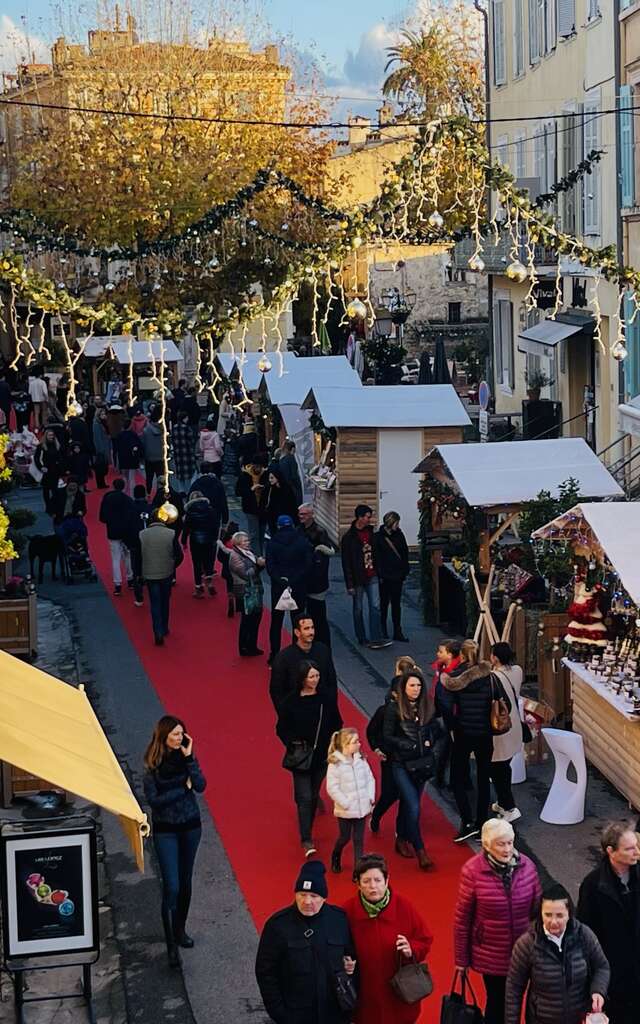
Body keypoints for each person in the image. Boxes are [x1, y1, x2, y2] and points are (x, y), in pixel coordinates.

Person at [455, 818, 541, 1024]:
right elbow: (462, 918)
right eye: (501, 844)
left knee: (522, 1001)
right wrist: (461, 960)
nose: (507, 849)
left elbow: (538, 910)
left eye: (510, 842)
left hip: (524, 950)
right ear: (486, 845)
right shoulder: (472, 871)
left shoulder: (527, 866)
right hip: (491, 954)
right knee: (498, 1003)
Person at [255, 860, 356, 1024]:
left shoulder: (339, 920)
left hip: (334, 1014)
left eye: (314, 896)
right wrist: (280, 1013)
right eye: (302, 894)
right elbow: (265, 972)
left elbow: (352, 957)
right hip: (295, 1015)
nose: (307, 901)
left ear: (324, 897)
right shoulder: (277, 925)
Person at [142, 716, 206, 967]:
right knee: (172, 886)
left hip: (191, 827)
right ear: (164, 737)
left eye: (182, 734)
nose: (180, 739)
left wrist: (190, 759)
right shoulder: (153, 765)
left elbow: (200, 785)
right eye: (175, 735)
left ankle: (180, 930)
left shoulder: (186, 759)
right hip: (165, 830)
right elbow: (154, 801)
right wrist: (183, 787)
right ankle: (170, 946)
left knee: (185, 882)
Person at [343, 854, 433, 1024]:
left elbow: (425, 939)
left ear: (386, 879)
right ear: (358, 883)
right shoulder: (346, 911)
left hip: (398, 994)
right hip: (364, 995)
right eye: (366, 881)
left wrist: (411, 948)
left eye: (377, 880)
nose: (373, 886)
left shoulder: (404, 906)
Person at [506, 882, 609, 1024]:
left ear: (569, 914)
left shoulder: (584, 935)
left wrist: (598, 990)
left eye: (560, 915)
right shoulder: (526, 944)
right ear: (540, 914)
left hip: (579, 1019)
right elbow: (514, 989)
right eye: (548, 915)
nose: (553, 922)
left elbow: (602, 967)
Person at [441, 639, 510, 843]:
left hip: (463, 734)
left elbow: (446, 707)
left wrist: (454, 727)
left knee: (457, 778)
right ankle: (481, 823)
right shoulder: (490, 678)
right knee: (483, 778)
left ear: (461, 656)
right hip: (485, 734)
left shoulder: (453, 679)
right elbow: (504, 702)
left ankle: (466, 821)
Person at [276, 660, 342, 856]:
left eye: (317, 676)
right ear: (302, 679)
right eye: (311, 676)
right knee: (304, 797)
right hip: (301, 756)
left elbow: (337, 722)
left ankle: (312, 811)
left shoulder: (325, 699)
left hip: (322, 755)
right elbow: (281, 728)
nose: (315, 680)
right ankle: (306, 837)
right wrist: (292, 743)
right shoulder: (290, 702)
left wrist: (333, 745)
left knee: (312, 793)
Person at [577, 820, 640, 1024]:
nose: (637, 852)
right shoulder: (593, 885)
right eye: (630, 849)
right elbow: (585, 933)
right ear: (611, 851)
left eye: (637, 846)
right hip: (612, 972)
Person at [382, 668, 437, 870]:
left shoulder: (427, 707)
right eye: (412, 685)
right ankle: (420, 850)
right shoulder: (393, 709)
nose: (416, 689)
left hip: (421, 764)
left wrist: (431, 746)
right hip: (401, 764)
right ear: (403, 688)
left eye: (419, 685)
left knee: (408, 804)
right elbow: (387, 736)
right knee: (413, 805)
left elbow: (436, 731)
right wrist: (407, 744)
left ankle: (401, 838)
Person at [367, 656, 417, 840]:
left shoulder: (418, 710)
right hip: (390, 759)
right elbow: (372, 731)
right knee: (389, 794)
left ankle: (401, 832)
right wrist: (377, 748)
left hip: (410, 759)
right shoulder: (385, 711)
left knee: (407, 796)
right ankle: (377, 815)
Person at [340, 505, 391, 650]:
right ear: (360, 517)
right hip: (358, 578)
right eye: (367, 517)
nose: (369, 520)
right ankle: (362, 637)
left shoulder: (371, 534)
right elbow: (346, 563)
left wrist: (379, 572)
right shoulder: (349, 538)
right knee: (358, 608)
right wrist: (349, 584)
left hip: (372, 574)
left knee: (375, 606)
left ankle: (376, 637)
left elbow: (377, 554)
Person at [265, 514, 314, 664]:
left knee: (276, 622)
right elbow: (308, 564)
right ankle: (297, 652)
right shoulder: (302, 541)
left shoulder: (273, 542)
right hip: (298, 585)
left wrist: (280, 579)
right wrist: (294, 580)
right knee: (298, 620)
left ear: (279, 526)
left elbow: (270, 565)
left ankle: (274, 654)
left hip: (279, 587)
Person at [326, 728, 375, 875]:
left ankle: (358, 871)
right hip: (346, 810)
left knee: (359, 839)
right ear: (345, 745)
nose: (359, 744)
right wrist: (345, 803)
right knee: (344, 837)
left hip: (362, 808)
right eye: (355, 742)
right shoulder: (335, 765)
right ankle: (336, 854)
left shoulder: (361, 760)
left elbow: (369, 779)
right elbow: (332, 788)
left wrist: (370, 797)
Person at [270, 614, 338, 711]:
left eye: (312, 628)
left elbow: (331, 680)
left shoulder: (323, 650)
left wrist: (331, 707)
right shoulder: (284, 658)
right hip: (296, 712)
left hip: (322, 709)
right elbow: (276, 691)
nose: (311, 632)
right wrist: (285, 715)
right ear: (297, 632)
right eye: (306, 628)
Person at [489, 643, 524, 824]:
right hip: (515, 725)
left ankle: (509, 806)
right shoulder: (517, 671)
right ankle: (503, 803)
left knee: (498, 769)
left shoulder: (493, 677)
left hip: (501, 726)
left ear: (495, 658)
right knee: (505, 766)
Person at [140, 510, 180, 644]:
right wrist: (172, 565)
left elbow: (137, 556)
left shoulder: (142, 534)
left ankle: (157, 631)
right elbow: (179, 555)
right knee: (165, 600)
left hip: (150, 573)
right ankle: (164, 627)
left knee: (155, 602)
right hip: (166, 571)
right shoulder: (171, 534)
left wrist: (139, 572)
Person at [298, 503, 336, 648]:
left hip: (316, 582)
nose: (301, 517)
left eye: (304, 514)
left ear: (311, 515)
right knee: (309, 614)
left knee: (319, 616)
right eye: (300, 514)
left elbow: (323, 560)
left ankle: (323, 644)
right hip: (305, 579)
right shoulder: (300, 529)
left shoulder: (320, 532)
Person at [374, 511, 410, 642]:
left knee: (396, 604)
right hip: (385, 576)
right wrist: (380, 574)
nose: (398, 525)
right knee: (384, 604)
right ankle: (383, 629)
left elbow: (404, 553)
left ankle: (397, 630)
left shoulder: (399, 535)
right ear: (391, 523)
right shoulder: (378, 538)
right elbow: (377, 558)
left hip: (397, 575)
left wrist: (404, 571)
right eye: (396, 522)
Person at [431, 638, 462, 789]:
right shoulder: (443, 668)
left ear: (450, 655)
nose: (437, 653)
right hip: (442, 714)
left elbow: (447, 700)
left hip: (449, 717)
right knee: (445, 748)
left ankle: (443, 778)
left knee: (446, 749)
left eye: (441, 651)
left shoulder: (453, 674)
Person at [229, 530, 265, 656]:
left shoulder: (248, 553)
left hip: (254, 590)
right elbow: (245, 574)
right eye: (245, 541)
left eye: (248, 540)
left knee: (255, 618)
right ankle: (244, 647)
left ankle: (252, 645)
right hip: (245, 592)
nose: (248, 542)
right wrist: (258, 566)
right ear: (238, 542)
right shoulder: (234, 556)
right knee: (247, 620)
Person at [99, 477, 135, 595]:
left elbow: (102, 518)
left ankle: (117, 584)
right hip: (126, 532)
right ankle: (130, 579)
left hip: (113, 531)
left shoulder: (107, 498)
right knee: (128, 556)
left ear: (113, 486)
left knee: (115, 558)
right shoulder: (128, 500)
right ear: (123, 486)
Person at [181, 491, 218, 598]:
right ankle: (209, 582)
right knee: (208, 562)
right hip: (209, 539)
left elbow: (186, 528)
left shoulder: (190, 512)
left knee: (197, 564)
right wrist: (215, 538)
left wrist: (183, 541)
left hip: (195, 540)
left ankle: (199, 587)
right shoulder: (211, 510)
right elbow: (215, 525)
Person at [235, 453, 269, 556]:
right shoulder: (245, 475)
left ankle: (259, 553)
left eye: (260, 467)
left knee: (262, 533)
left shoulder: (266, 474)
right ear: (252, 465)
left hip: (263, 508)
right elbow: (238, 492)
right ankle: (257, 556)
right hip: (250, 508)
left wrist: (264, 488)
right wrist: (251, 489)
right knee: (254, 534)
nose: (258, 469)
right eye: (256, 466)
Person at [127, 484, 151, 606]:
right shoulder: (150, 508)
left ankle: (139, 597)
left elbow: (127, 527)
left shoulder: (130, 509)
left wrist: (128, 542)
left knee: (136, 569)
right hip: (149, 543)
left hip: (135, 542)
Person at [34, 429, 66, 516]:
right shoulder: (41, 446)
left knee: (55, 490)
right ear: (46, 436)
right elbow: (37, 458)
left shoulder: (57, 445)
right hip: (46, 472)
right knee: (46, 490)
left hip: (55, 471)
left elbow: (60, 458)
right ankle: (48, 507)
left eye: (52, 435)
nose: (51, 437)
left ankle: (53, 506)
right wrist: (41, 467)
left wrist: (61, 468)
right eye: (49, 435)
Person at [189, 463, 229, 531]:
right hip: (215, 515)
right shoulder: (218, 483)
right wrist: (225, 520)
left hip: (199, 516)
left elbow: (190, 501)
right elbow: (223, 502)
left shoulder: (196, 484)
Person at [265, 466, 299, 537]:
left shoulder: (286, 489)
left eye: (272, 478)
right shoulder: (270, 488)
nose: (270, 480)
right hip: (274, 520)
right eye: (269, 478)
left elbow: (291, 505)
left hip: (286, 519)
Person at [113, 419, 143, 497]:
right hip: (132, 459)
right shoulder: (133, 435)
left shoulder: (119, 435)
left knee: (125, 477)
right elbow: (138, 446)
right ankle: (132, 495)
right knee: (132, 478)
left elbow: (115, 448)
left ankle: (123, 493)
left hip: (123, 459)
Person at [171, 411, 197, 494]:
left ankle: (181, 490)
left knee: (180, 472)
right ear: (184, 418)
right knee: (189, 473)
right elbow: (191, 441)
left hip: (178, 453)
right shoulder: (187, 428)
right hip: (187, 453)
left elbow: (172, 440)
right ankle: (188, 490)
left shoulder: (174, 428)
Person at [142, 408, 165, 495]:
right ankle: (161, 493)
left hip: (149, 457)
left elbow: (143, 443)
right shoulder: (163, 430)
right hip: (160, 456)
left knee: (149, 477)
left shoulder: (146, 430)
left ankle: (148, 493)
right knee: (161, 477)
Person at [278, 439, 303, 506]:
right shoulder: (291, 458)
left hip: (284, 488)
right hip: (293, 489)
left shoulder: (282, 459)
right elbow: (294, 475)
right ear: (293, 448)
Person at [92, 407, 112, 489]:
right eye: (102, 414)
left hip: (105, 445)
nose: (104, 416)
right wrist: (101, 450)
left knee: (103, 467)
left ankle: (102, 483)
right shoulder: (96, 424)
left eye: (104, 414)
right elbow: (97, 438)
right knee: (101, 467)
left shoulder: (103, 423)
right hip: (102, 448)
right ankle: (100, 484)